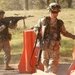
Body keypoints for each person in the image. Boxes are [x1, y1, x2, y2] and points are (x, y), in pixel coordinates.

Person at [33, 2, 75, 74]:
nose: (55, 14)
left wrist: (73, 36)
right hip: (44, 47)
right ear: (49, 11)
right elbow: (36, 28)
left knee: (52, 66)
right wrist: (37, 33)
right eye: (53, 12)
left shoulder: (59, 23)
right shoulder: (43, 20)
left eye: (57, 12)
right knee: (46, 66)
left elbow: (64, 32)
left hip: (54, 48)